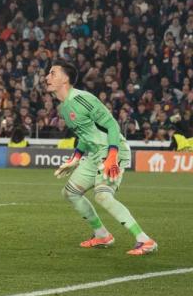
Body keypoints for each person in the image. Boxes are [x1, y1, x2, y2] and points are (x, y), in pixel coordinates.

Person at [46, 60, 157, 256]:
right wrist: (76, 157)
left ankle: (145, 240)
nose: (47, 77)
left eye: (52, 73)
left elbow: (112, 125)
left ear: (65, 79)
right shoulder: (64, 108)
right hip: (95, 153)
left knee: (103, 195)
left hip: (114, 150)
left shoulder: (82, 99)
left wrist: (112, 155)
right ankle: (102, 234)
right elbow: (85, 134)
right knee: (70, 193)